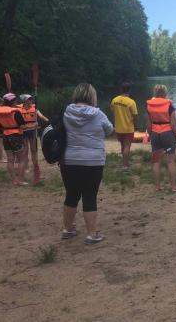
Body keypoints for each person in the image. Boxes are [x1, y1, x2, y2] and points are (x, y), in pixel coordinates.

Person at [61, 83, 113, 244]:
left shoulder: (67, 113)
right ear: (92, 96)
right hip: (93, 160)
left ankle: (68, 230)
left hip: (69, 160)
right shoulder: (98, 114)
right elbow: (110, 130)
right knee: (90, 195)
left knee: (71, 194)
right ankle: (92, 234)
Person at [147, 85, 176, 192]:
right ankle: (173, 187)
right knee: (170, 161)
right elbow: (174, 125)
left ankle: (157, 187)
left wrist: (150, 134)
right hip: (168, 133)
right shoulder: (169, 106)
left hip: (155, 134)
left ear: (155, 93)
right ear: (165, 93)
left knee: (156, 161)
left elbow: (148, 123)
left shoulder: (149, 106)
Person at [0, 93, 28, 185]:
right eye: (15, 101)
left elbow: (0, 126)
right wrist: (33, 126)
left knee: (10, 159)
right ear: (13, 102)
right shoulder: (16, 112)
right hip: (16, 136)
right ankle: (20, 179)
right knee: (21, 159)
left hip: (5, 136)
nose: (16, 102)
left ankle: (14, 180)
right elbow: (23, 126)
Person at [19, 94, 49, 184]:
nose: (31, 100)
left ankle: (35, 167)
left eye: (31, 99)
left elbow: (41, 116)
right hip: (24, 132)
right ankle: (26, 168)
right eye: (29, 99)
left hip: (33, 132)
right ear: (25, 101)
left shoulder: (35, 108)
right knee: (25, 151)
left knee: (33, 150)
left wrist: (49, 121)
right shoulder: (19, 110)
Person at [110, 82, 138, 170]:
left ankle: (124, 161)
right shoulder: (131, 102)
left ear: (121, 90)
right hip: (128, 128)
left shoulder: (114, 100)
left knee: (123, 145)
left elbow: (112, 110)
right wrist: (135, 124)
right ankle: (125, 165)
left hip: (118, 128)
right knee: (127, 146)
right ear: (130, 90)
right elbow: (135, 115)